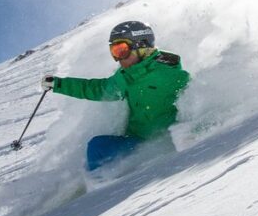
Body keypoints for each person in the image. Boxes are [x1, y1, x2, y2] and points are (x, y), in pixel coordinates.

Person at [41, 21, 190, 171]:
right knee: (97, 147)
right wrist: (58, 84)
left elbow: (199, 97)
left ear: (141, 45)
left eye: (121, 50)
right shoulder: (125, 76)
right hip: (137, 141)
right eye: (114, 52)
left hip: (167, 139)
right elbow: (99, 89)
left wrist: (190, 130)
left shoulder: (170, 74)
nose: (118, 58)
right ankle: (101, 186)